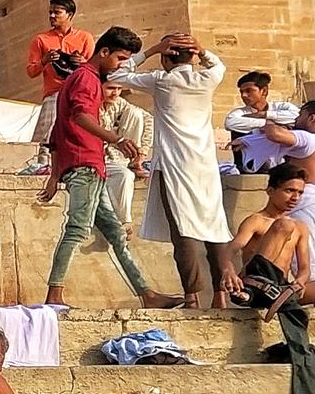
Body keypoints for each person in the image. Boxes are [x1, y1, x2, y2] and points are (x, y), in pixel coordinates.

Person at [40, 28, 175, 309]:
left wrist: (54, 174)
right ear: (104, 53)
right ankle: (54, 295)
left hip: (89, 165)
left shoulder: (78, 79)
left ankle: (146, 294)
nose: (120, 65)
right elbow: (80, 117)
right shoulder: (87, 79)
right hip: (85, 163)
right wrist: (117, 138)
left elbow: (56, 130)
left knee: (115, 233)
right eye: (119, 58)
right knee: (77, 229)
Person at [105, 33, 240, 307]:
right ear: (191, 57)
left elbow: (117, 76)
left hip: (174, 166)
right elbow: (219, 67)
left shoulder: (161, 80)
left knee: (184, 231)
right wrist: (202, 51)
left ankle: (192, 297)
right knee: (213, 226)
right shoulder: (206, 79)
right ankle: (219, 296)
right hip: (205, 166)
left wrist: (152, 50)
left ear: (167, 57)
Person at [229, 165, 314, 394]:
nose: (294, 197)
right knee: (284, 226)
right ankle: (263, 288)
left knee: (290, 226)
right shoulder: (257, 220)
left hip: (283, 289)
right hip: (253, 289)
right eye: (288, 191)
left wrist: (300, 279)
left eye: (298, 193)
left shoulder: (301, 227)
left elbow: (305, 268)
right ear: (270, 190)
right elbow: (231, 249)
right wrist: (228, 271)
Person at [24, 0, 92, 174]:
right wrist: (45, 60)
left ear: (69, 14)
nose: (52, 16)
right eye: (50, 13)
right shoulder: (41, 40)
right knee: (46, 130)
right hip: (54, 92)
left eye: (57, 12)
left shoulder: (85, 38)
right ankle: (39, 165)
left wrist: (82, 62)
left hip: (78, 91)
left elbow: (94, 69)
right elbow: (31, 72)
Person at [99, 79, 151, 229]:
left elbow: (148, 119)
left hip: (117, 155)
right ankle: (123, 222)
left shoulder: (119, 103)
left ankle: (134, 161)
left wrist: (141, 153)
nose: (115, 93)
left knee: (135, 114)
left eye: (119, 88)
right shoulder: (92, 106)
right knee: (124, 176)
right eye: (110, 88)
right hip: (96, 156)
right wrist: (118, 141)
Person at [227, 71, 301, 173]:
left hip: (282, 164)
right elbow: (230, 122)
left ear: (264, 91)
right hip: (251, 166)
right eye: (241, 92)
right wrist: (267, 124)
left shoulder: (282, 107)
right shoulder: (239, 113)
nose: (244, 95)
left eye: (249, 91)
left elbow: (298, 116)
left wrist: (265, 115)